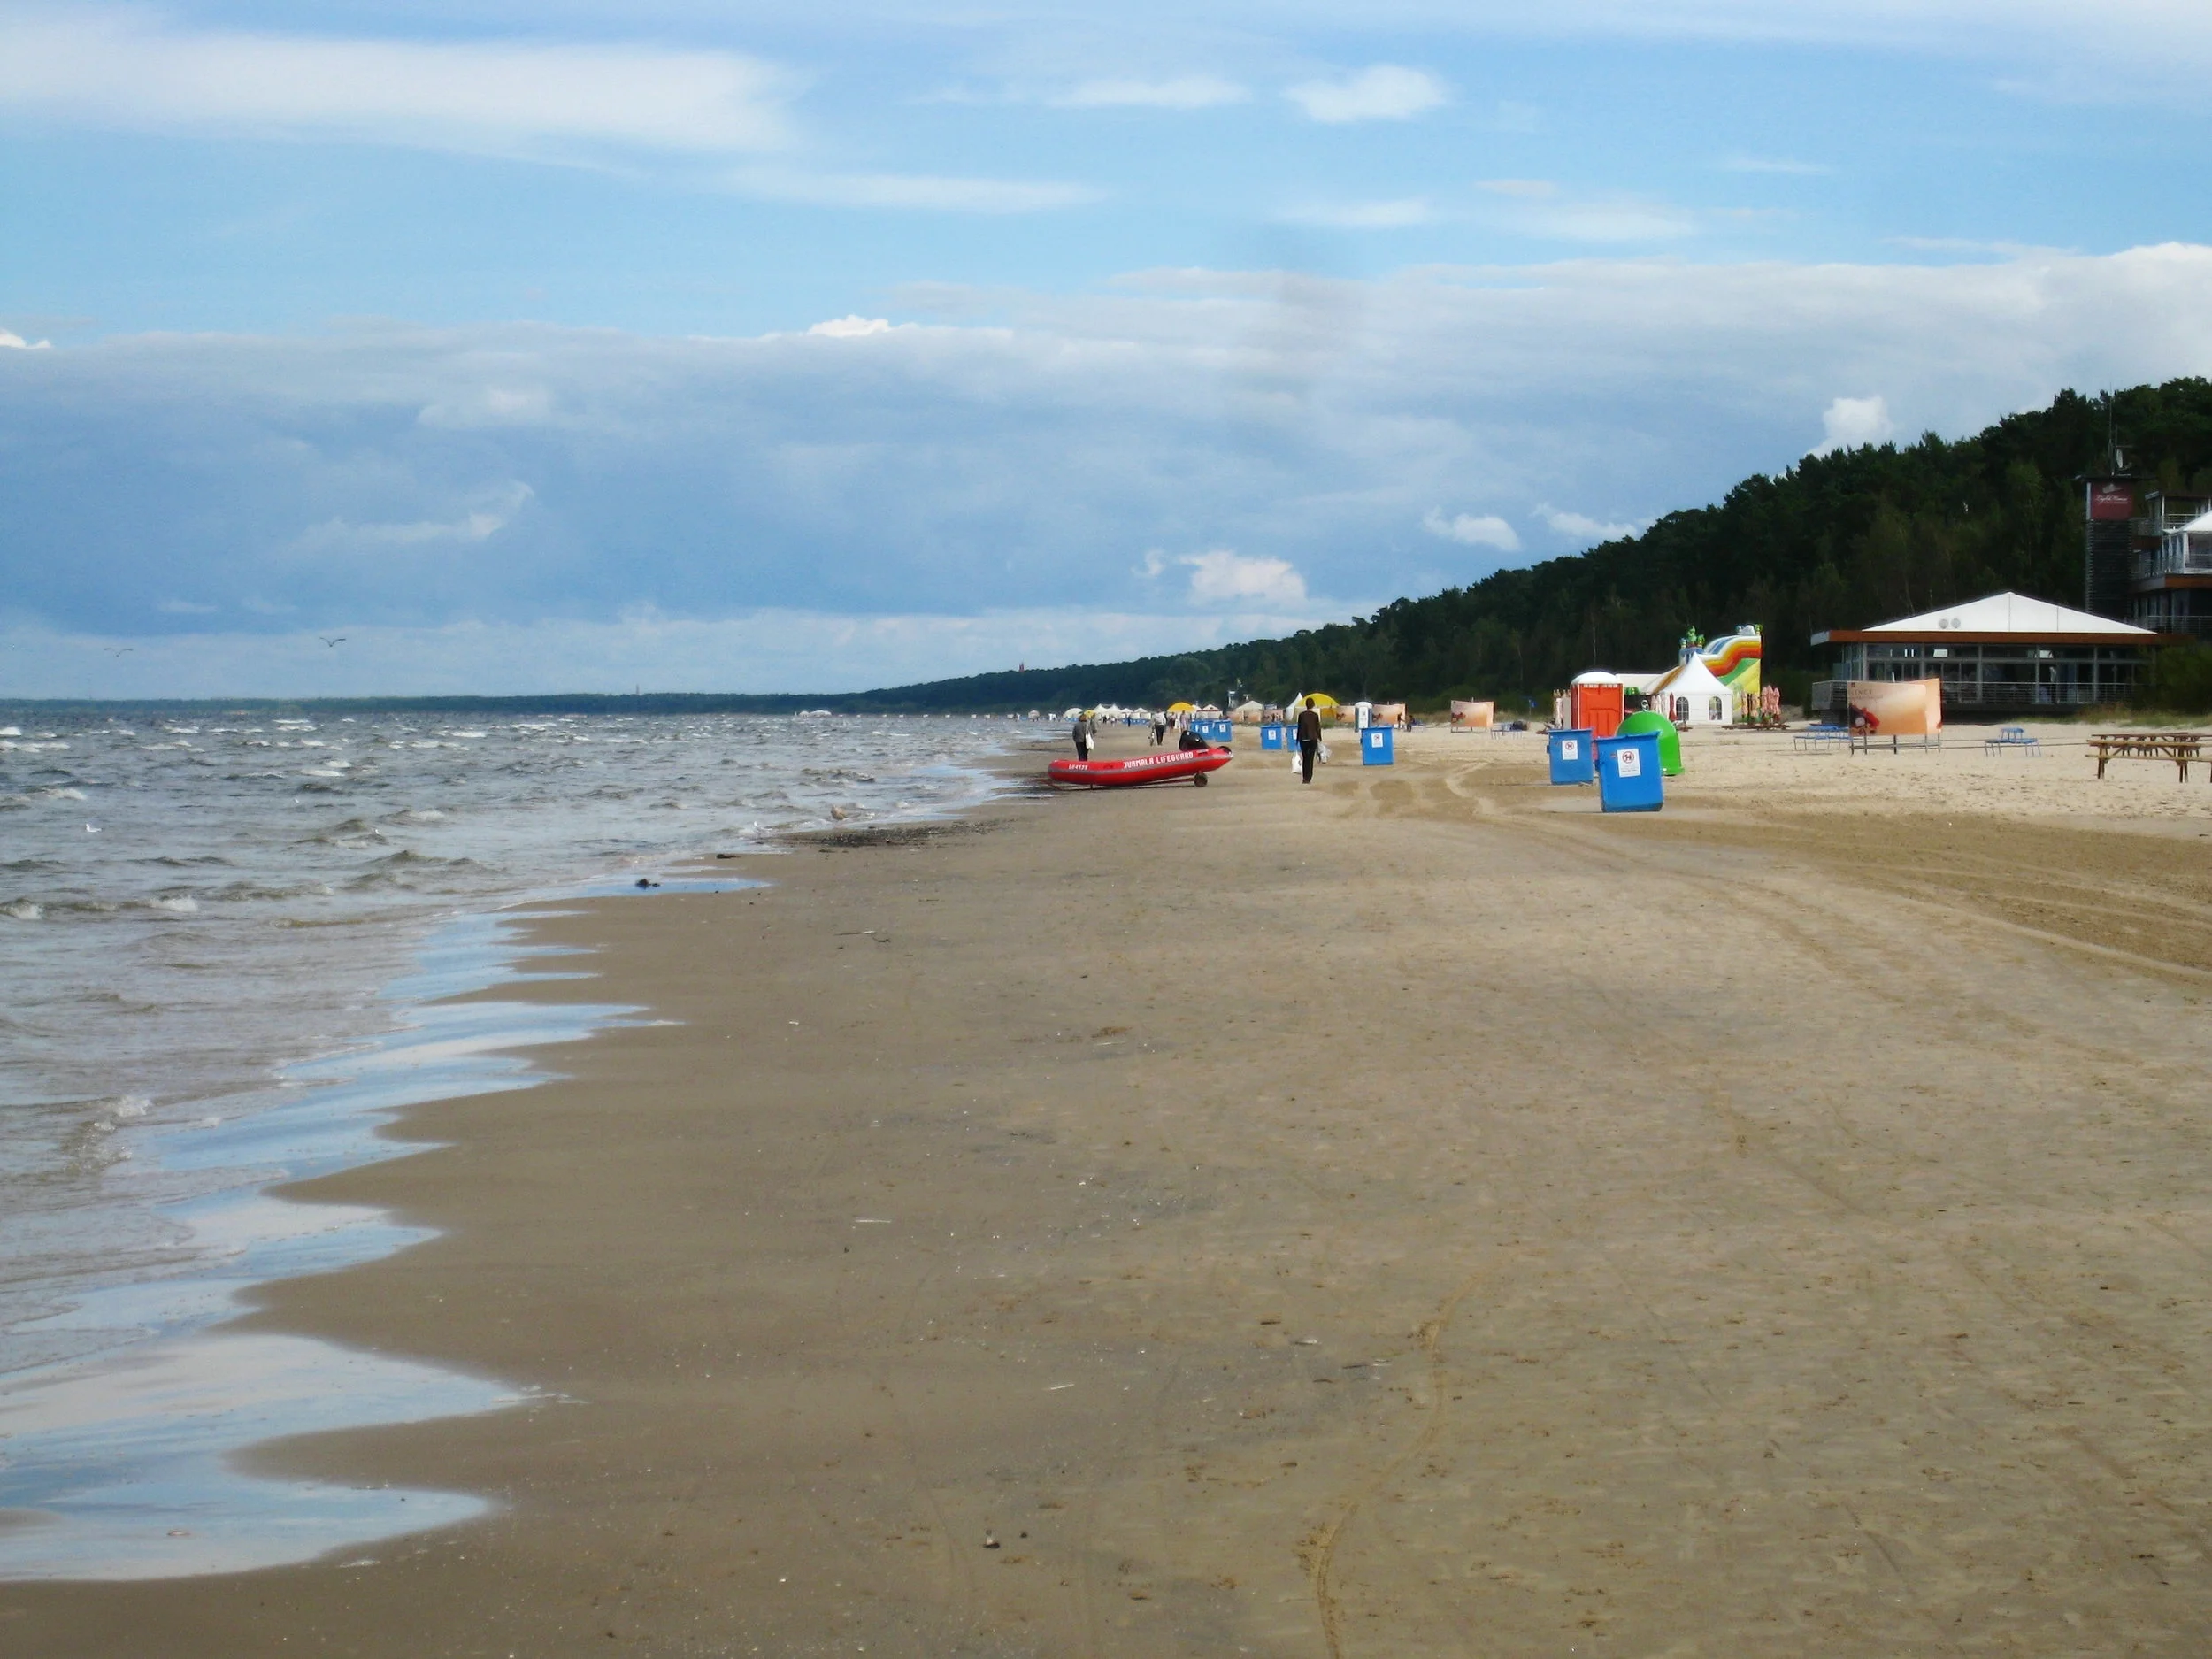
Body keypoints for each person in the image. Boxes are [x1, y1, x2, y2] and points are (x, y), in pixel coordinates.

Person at [1295, 699, 1323, 783]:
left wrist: (1297, 739)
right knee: (1310, 759)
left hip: (1303, 739)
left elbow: (1299, 727)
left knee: (1305, 758)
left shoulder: (1301, 715)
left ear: (1306, 705)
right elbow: (1318, 727)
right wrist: (1320, 738)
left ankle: (1304, 778)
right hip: (1313, 739)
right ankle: (1309, 778)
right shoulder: (1315, 715)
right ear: (1313, 705)